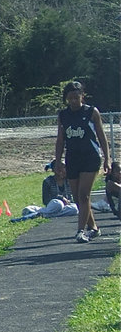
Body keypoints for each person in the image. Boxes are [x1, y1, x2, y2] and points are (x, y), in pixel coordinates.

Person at [52, 80, 111, 243]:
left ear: (82, 97)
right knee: (77, 198)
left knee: (84, 195)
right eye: (70, 98)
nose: (73, 101)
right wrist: (58, 161)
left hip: (90, 157)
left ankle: (80, 230)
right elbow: (60, 139)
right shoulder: (63, 115)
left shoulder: (92, 112)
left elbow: (101, 135)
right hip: (73, 158)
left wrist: (107, 158)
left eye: (76, 98)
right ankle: (94, 228)